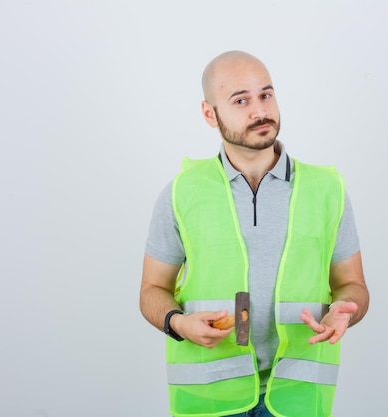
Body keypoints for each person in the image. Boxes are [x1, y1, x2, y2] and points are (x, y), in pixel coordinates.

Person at [139, 50, 369, 417]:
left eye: (266, 94)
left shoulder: (328, 191)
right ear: (209, 113)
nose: (259, 111)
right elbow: (152, 290)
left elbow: (352, 284)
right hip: (212, 398)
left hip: (296, 396)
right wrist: (178, 322)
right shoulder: (182, 193)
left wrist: (346, 310)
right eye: (240, 100)